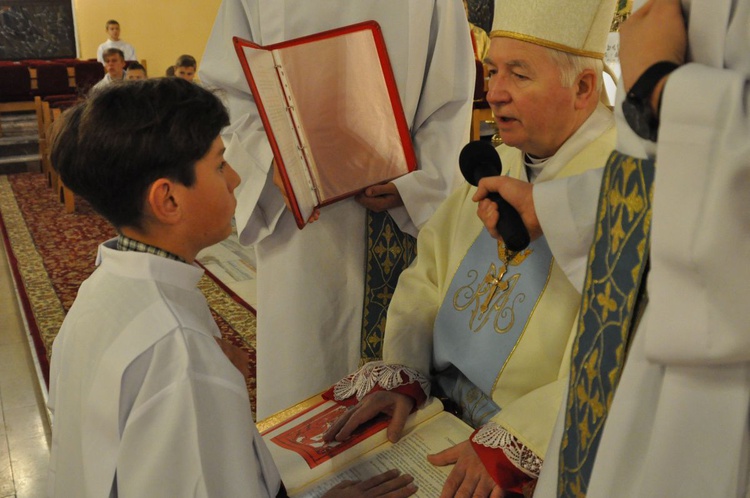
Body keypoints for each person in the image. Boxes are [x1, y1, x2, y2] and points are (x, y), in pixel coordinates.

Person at [45, 77, 418, 498]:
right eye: (220, 164)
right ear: (168, 200)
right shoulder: (178, 350)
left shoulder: (102, 289)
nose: (237, 178)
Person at [322, 0, 618, 496]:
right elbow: (428, 274)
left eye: (519, 75)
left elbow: (618, 345)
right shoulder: (498, 162)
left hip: (537, 442)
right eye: (492, 70)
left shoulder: (625, 189)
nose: (494, 94)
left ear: (583, 88)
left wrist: (522, 439)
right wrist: (405, 373)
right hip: (437, 412)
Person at [200, 0, 476, 419]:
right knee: (303, 375)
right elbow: (229, 87)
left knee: (397, 382)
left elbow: (451, 98)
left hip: (397, 210)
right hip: (301, 219)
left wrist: (415, 187)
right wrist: (276, 158)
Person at [529, 0, 750, 496]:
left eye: (519, 74)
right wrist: (550, 205)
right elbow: (651, 172)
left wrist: (660, 87)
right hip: (651, 337)